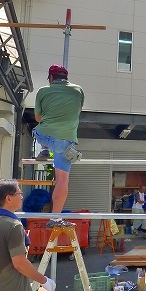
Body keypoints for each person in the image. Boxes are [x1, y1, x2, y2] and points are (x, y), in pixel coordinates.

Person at [0, 179, 56, 291]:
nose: (22, 197)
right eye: (19, 193)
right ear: (8, 198)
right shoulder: (13, 226)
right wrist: (45, 281)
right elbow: (20, 264)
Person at [33, 64, 84, 222]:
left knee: (37, 129)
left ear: (50, 77)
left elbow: (38, 118)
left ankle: (45, 150)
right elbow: (76, 112)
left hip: (45, 136)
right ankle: (55, 218)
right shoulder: (78, 91)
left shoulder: (43, 91)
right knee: (62, 181)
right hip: (66, 140)